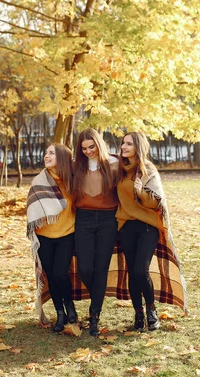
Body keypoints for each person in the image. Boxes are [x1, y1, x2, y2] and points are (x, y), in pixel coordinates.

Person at [116, 131, 185, 331]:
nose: (124, 147)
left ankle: (151, 311)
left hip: (147, 226)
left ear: (139, 146)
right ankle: (138, 314)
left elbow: (157, 201)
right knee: (132, 271)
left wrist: (141, 193)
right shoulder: (120, 169)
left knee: (140, 270)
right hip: (126, 225)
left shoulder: (148, 170)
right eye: (123, 143)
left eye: (128, 144)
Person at [72, 128, 119, 336]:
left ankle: (94, 315)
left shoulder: (114, 164)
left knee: (101, 269)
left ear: (99, 144)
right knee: (85, 269)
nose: (88, 151)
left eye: (92, 147)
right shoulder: (76, 167)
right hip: (84, 218)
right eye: (84, 148)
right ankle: (98, 297)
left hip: (109, 220)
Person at [26, 143, 78, 332]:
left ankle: (70, 306)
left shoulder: (73, 181)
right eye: (46, 153)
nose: (46, 156)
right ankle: (60, 313)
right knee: (51, 276)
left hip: (66, 234)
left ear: (62, 158)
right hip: (44, 237)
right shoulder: (39, 181)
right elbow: (32, 208)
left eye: (51, 153)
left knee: (59, 274)